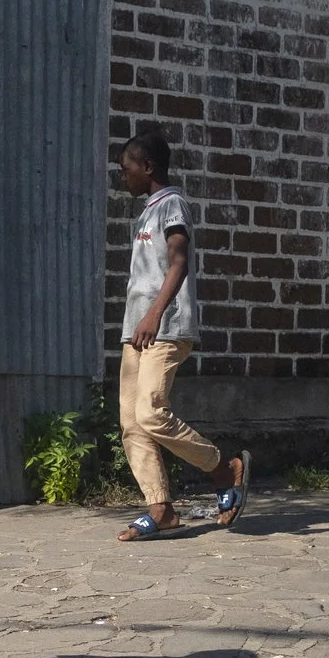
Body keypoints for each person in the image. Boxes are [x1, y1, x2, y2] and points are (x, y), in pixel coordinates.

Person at [113, 128, 249, 541]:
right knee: (132, 423)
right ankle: (161, 508)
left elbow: (179, 262)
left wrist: (155, 314)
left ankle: (224, 469)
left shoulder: (171, 204)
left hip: (164, 328)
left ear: (148, 167)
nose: (123, 177)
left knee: (152, 412)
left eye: (127, 169)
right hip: (136, 330)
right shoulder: (147, 210)